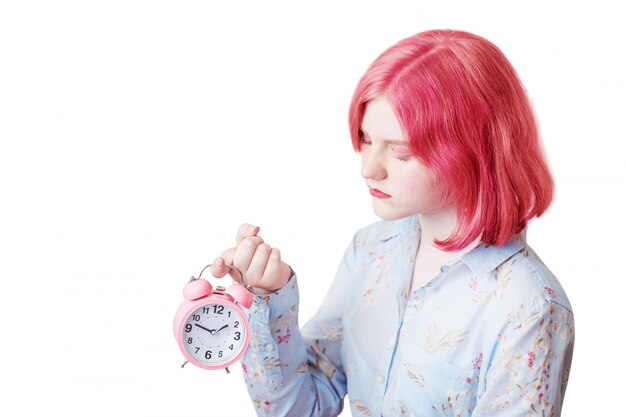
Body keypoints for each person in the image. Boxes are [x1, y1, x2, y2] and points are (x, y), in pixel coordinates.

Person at [210, 29, 575, 417]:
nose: (368, 168)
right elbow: (302, 408)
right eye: (366, 139)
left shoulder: (529, 308)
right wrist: (270, 296)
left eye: (400, 152)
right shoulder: (370, 251)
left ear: (473, 151)